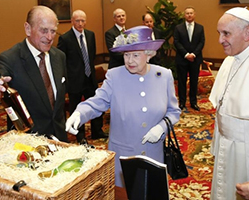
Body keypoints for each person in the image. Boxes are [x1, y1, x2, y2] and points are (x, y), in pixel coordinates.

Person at [65, 26, 181, 187]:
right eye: (126, 55)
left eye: (135, 55)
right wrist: (79, 113)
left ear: (148, 54)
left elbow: (174, 111)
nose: (129, 60)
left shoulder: (163, 75)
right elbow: (97, 102)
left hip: (154, 154)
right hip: (124, 156)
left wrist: (162, 128)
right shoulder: (115, 75)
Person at [0, 6, 68, 142]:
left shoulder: (59, 57)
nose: (49, 37)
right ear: (28, 29)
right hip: (27, 143)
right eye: (43, 30)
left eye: (53, 31)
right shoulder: (10, 59)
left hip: (60, 139)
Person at [209, 7, 249, 200]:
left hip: (248, 153)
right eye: (219, 33)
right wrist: (216, 146)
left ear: (247, 33)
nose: (220, 40)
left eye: (226, 33)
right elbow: (221, 109)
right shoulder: (230, 59)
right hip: (226, 146)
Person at [57, 10, 106, 143]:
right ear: (72, 21)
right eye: (77, 21)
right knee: (76, 108)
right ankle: (80, 135)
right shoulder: (65, 38)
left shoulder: (90, 35)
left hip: (90, 78)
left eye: (83, 20)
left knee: (96, 105)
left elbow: (92, 56)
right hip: (74, 80)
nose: (80, 23)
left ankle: (97, 131)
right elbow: (60, 60)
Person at [174, 6, 205, 111]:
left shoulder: (200, 28)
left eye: (191, 13)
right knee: (182, 81)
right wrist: (186, 54)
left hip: (195, 59)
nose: (189, 15)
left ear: (194, 14)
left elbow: (202, 42)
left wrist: (194, 54)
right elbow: (176, 42)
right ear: (184, 15)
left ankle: (193, 102)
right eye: (187, 13)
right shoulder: (178, 28)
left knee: (194, 81)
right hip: (182, 59)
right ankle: (182, 103)